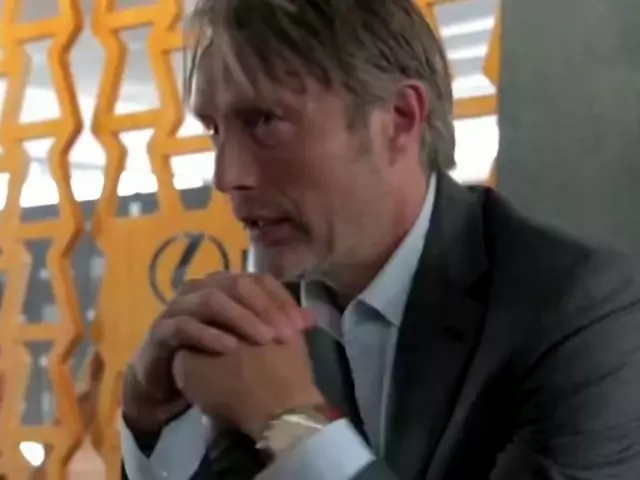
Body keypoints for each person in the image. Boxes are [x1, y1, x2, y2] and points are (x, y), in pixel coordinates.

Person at [120, 0, 640, 478]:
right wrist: (149, 415)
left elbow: (286, 430)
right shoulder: (267, 309)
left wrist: (289, 421)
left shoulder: (581, 312)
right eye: (214, 129)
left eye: (264, 122)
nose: (227, 176)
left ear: (399, 120)